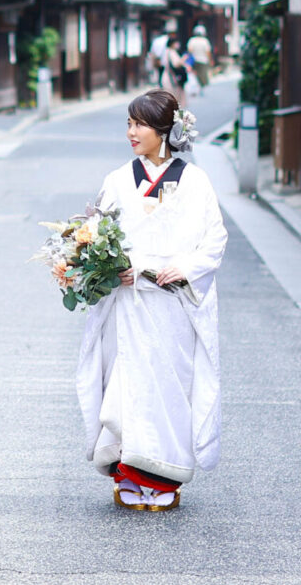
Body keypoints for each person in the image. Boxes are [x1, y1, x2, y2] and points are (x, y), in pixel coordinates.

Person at [77, 88, 226, 511]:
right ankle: (128, 473)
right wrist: (112, 269)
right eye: (128, 123)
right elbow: (95, 238)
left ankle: (166, 475)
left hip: (171, 304)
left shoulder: (195, 181)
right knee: (126, 383)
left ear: (164, 130)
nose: (131, 132)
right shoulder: (117, 179)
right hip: (128, 301)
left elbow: (215, 237)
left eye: (140, 124)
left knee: (169, 386)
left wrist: (188, 267)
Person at [187, 24, 213, 89]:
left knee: (196, 76)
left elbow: (189, 51)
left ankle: (198, 88)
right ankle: (203, 88)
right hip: (203, 61)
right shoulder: (205, 41)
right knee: (203, 76)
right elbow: (208, 52)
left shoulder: (192, 40)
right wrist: (210, 60)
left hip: (195, 61)